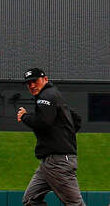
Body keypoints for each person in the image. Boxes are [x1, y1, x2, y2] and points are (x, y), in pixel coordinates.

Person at [18, 68, 84, 206]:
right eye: (29, 83)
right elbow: (76, 120)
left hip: (58, 162)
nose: (32, 85)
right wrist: (62, 137)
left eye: (35, 81)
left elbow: (43, 122)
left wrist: (24, 116)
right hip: (50, 162)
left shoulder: (46, 96)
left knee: (75, 204)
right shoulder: (54, 94)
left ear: (45, 79)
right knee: (30, 199)